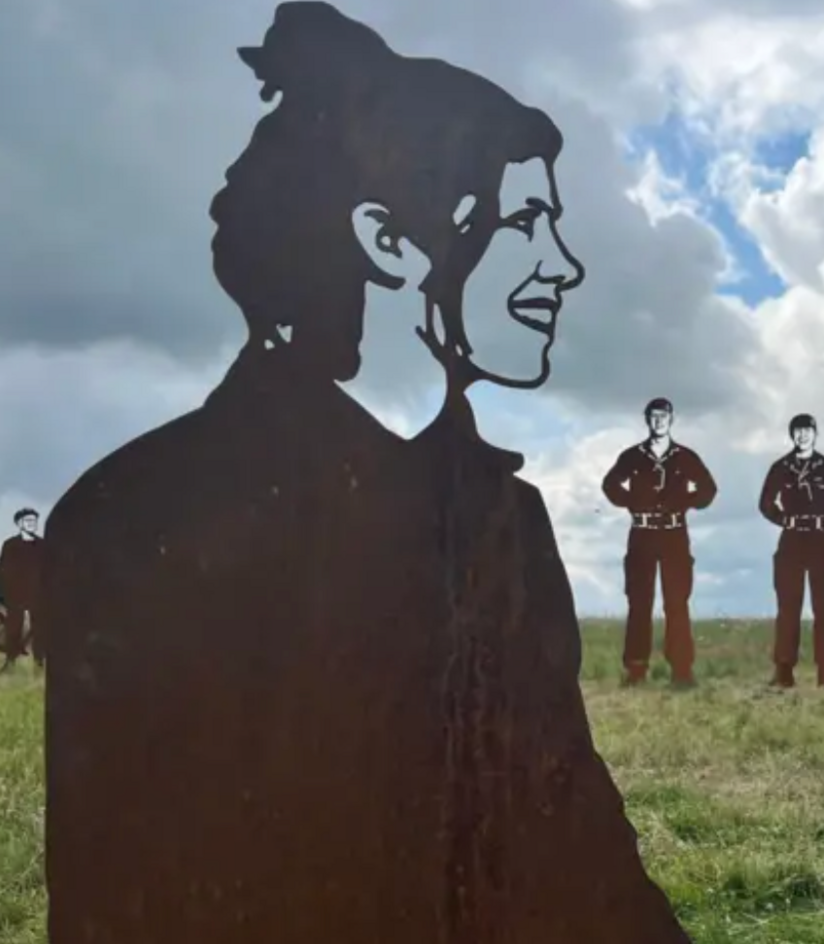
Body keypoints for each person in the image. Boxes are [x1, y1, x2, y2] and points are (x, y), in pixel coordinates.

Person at [38, 4, 691, 941]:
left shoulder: (506, 519)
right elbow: (123, 894)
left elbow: (572, 836)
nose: (565, 266)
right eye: (527, 224)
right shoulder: (134, 518)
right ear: (389, 242)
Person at [601, 397, 717, 688]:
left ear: (671, 419)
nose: (658, 421)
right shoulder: (632, 456)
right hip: (641, 534)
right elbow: (610, 485)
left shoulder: (685, 457)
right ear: (647, 420)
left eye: (663, 416)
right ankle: (636, 669)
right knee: (639, 602)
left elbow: (708, 489)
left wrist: (684, 503)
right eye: (653, 416)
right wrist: (633, 503)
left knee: (677, 602)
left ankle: (681, 670)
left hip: (674, 535)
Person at [757, 413, 824, 688]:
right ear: (792, 435)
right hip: (791, 539)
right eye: (797, 431)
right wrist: (781, 518)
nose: (802, 436)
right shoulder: (780, 467)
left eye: (807, 431)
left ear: (815, 433)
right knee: (788, 606)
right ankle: (784, 670)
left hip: (821, 539)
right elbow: (765, 502)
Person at [0, 507, 44, 670]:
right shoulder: (10, 545)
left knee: (39, 629)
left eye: (34, 521)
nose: (32, 524)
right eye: (28, 521)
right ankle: (10, 661)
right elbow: (3, 569)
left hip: (38, 593)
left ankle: (39, 662)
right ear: (19, 523)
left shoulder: (43, 545)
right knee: (14, 628)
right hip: (16, 594)